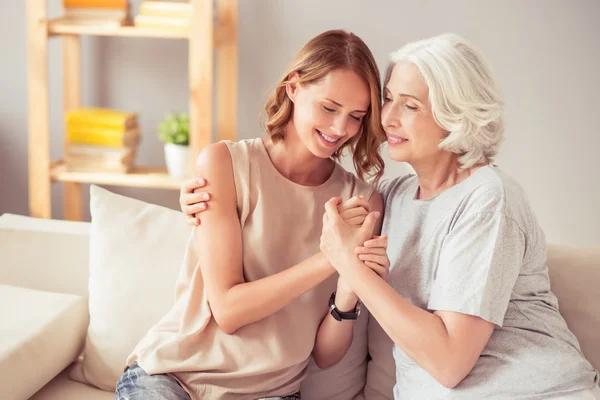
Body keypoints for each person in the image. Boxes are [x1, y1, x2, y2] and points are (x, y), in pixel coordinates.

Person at [181, 33, 600, 399]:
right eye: (387, 100)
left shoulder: (488, 198)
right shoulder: (391, 199)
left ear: (456, 116)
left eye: (411, 106)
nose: (388, 118)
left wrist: (346, 262)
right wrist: (197, 195)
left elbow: (450, 362)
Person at [115, 30, 390, 400]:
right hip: (173, 377)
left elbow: (326, 355)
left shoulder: (363, 202)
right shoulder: (225, 164)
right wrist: (332, 258)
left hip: (272, 392)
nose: (341, 129)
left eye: (356, 116)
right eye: (329, 107)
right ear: (293, 87)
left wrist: (346, 295)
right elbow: (227, 311)